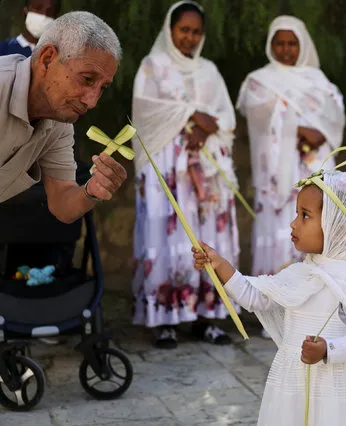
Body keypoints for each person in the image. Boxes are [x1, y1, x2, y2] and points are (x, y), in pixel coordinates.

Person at [192, 163, 346, 426]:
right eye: (297, 213)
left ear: (336, 227)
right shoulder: (300, 272)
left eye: (305, 215)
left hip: (335, 388)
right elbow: (255, 297)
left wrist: (328, 350)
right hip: (295, 381)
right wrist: (219, 264)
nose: (293, 223)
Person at [131, 1, 240, 348]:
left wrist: (208, 128)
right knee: (169, 240)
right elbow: (144, 112)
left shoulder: (209, 70)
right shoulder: (153, 66)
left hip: (203, 176)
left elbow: (226, 116)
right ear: (170, 29)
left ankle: (204, 316)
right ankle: (164, 320)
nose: (190, 38)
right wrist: (192, 114)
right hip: (167, 170)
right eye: (184, 30)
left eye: (196, 32)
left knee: (205, 239)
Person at [237, 15, 345, 338]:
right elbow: (259, 119)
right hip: (276, 182)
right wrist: (299, 129)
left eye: (292, 42)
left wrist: (319, 132)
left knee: (315, 230)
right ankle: (274, 311)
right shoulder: (258, 82)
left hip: (313, 170)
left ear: (303, 45)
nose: (286, 49)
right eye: (280, 42)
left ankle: (315, 309)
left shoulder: (320, 81)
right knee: (279, 231)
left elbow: (335, 118)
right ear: (271, 45)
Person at [0, 11, 127, 222]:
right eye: (87, 79)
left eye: (102, 87)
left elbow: (62, 203)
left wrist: (92, 190)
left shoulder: (58, 123)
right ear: (47, 59)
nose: (92, 101)